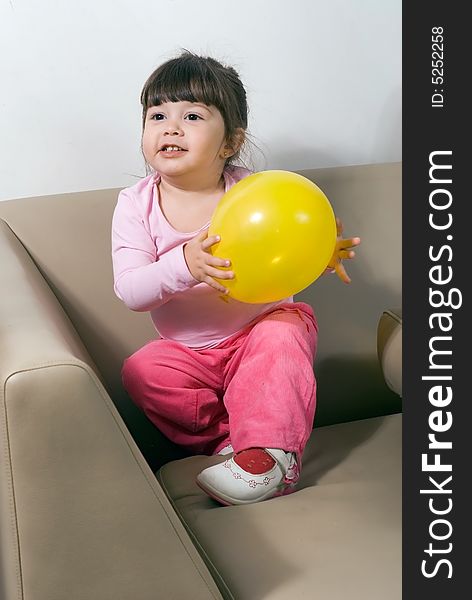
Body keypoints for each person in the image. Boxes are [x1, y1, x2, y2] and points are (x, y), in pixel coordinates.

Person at [111, 50, 360, 506]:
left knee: (283, 329)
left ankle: (274, 455)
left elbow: (283, 245)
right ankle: (232, 446)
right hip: (190, 353)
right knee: (143, 370)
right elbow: (130, 289)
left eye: (191, 115)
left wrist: (318, 253)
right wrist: (184, 263)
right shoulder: (135, 203)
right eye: (157, 115)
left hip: (255, 334)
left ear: (229, 142)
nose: (170, 127)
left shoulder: (253, 191)